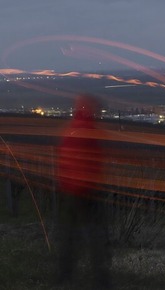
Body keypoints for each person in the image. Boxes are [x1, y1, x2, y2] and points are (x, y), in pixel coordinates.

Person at [55, 94, 111, 288]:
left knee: (72, 236)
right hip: (84, 191)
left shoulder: (72, 128)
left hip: (71, 190)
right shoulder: (86, 130)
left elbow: (66, 160)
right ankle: (101, 280)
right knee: (95, 237)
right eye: (95, 108)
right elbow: (85, 162)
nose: (99, 112)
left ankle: (65, 275)